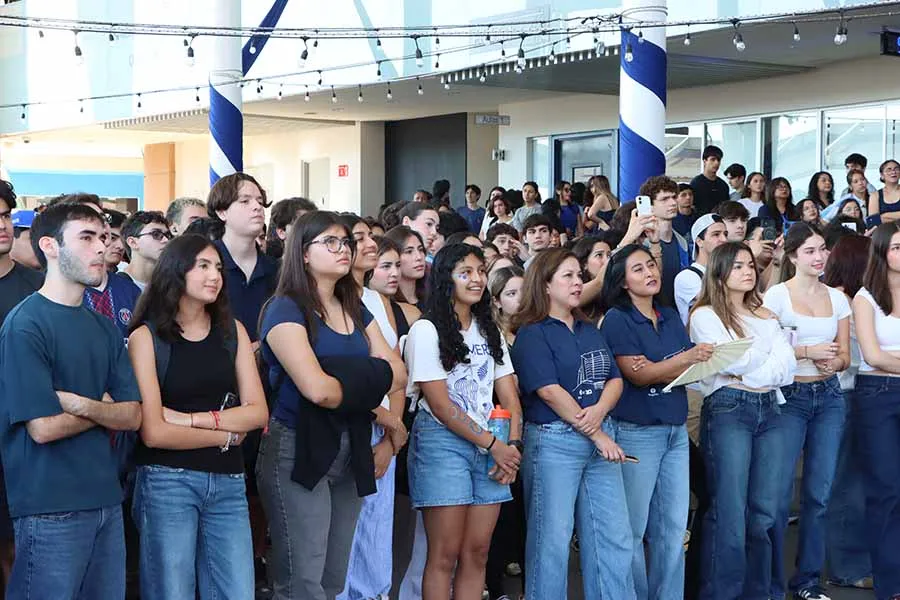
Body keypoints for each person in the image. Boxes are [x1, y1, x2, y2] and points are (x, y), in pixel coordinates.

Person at [256, 211, 406, 600]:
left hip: (352, 441)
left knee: (334, 577)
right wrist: (367, 379)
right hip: (299, 445)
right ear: (304, 253)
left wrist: (342, 376)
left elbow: (397, 372)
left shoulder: (353, 304)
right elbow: (316, 390)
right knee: (303, 580)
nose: (344, 250)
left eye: (346, 242)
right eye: (331, 242)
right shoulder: (285, 308)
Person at [0, 202, 142, 599]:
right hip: (49, 504)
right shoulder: (25, 324)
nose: (101, 247)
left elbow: (133, 415)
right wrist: (105, 408)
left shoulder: (104, 326)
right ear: (50, 246)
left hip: (106, 499)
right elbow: (43, 427)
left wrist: (80, 405)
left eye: (104, 237)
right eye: (86, 237)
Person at [127, 234, 269, 600]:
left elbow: (257, 412)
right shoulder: (147, 337)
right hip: (167, 480)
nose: (215, 276)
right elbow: (154, 432)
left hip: (228, 480)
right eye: (203, 266)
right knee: (172, 591)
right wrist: (226, 434)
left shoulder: (232, 331)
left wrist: (191, 420)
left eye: (218, 267)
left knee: (237, 592)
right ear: (176, 271)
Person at [510, 248, 634, 600]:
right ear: (545, 285)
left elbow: (615, 379)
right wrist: (596, 432)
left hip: (599, 437)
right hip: (555, 442)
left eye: (579, 275)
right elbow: (549, 391)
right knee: (552, 541)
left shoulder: (588, 329)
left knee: (614, 536)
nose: (578, 282)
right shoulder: (533, 333)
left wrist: (598, 414)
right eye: (568, 276)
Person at [403, 243, 521, 600]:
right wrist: (494, 445)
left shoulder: (489, 329)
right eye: (465, 273)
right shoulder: (427, 329)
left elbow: (510, 396)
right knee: (445, 554)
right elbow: (440, 405)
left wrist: (512, 446)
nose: (477, 279)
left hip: (493, 442)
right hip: (443, 442)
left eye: (481, 272)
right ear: (446, 279)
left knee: (478, 552)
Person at [600, 244, 714, 600]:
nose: (650, 272)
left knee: (673, 528)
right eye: (638, 269)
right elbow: (639, 374)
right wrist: (685, 359)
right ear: (622, 281)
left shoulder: (667, 314)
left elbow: (673, 367)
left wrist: (680, 363)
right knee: (633, 528)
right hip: (638, 430)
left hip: (675, 430)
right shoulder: (617, 319)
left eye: (651, 265)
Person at [689, 241, 796, 600]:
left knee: (764, 513)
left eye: (750, 265)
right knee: (729, 512)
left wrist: (751, 362)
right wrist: (762, 356)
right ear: (719, 272)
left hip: (771, 408)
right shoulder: (705, 315)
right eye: (737, 266)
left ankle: (758, 593)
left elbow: (787, 367)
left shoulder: (765, 313)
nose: (748, 271)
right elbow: (729, 361)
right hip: (729, 408)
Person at [764, 223, 850, 600]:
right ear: (793, 256)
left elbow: (845, 353)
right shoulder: (776, 296)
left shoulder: (838, 299)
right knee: (777, 494)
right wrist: (805, 352)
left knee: (820, 493)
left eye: (822, 249)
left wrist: (836, 362)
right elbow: (766, 348)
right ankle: (769, 582)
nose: (819, 257)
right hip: (789, 395)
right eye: (810, 251)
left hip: (829, 394)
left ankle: (808, 581)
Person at [335, 214, 409, 600]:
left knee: (377, 531)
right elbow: (342, 381)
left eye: (369, 237)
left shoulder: (376, 299)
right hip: (353, 423)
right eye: (358, 238)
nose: (369, 244)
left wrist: (392, 436)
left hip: (384, 429)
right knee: (346, 536)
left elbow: (397, 373)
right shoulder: (330, 302)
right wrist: (386, 421)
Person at [850, 221, 900, 599]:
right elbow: (872, 355)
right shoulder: (866, 297)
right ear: (882, 252)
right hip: (878, 395)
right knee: (886, 489)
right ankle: (890, 584)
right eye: (897, 247)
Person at [821, 235, 874, 592]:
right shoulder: (842, 301)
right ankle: (847, 567)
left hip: (858, 393)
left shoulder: (856, 299)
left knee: (856, 482)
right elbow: (859, 355)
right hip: (845, 394)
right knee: (848, 483)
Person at [207, 173, 278, 344]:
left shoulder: (276, 269)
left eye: (260, 201)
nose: (257, 207)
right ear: (222, 212)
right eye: (245, 201)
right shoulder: (202, 263)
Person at [674, 214, 729, 325]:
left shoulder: (727, 272)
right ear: (699, 241)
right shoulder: (687, 277)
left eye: (725, 234)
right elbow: (719, 302)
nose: (724, 239)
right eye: (716, 234)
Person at [642, 175, 690, 302]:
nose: (673, 203)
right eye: (664, 199)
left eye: (674, 197)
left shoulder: (682, 242)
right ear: (650, 206)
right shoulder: (642, 244)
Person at [121, 211, 172, 290]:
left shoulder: (170, 284)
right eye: (156, 234)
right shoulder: (115, 286)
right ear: (133, 242)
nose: (166, 240)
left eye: (168, 235)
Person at [385, 226, 428, 310]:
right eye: (409, 251)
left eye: (420, 250)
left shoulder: (432, 299)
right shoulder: (388, 305)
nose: (419, 257)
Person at [690, 145, 730, 216]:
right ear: (705, 161)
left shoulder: (723, 185)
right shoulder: (696, 183)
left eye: (718, 160)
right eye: (713, 159)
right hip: (700, 220)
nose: (716, 163)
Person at [868, 159, 900, 223]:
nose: (893, 172)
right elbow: (873, 221)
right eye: (889, 170)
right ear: (882, 175)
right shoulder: (875, 195)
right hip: (884, 229)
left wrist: (884, 216)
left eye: (896, 169)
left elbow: (879, 218)